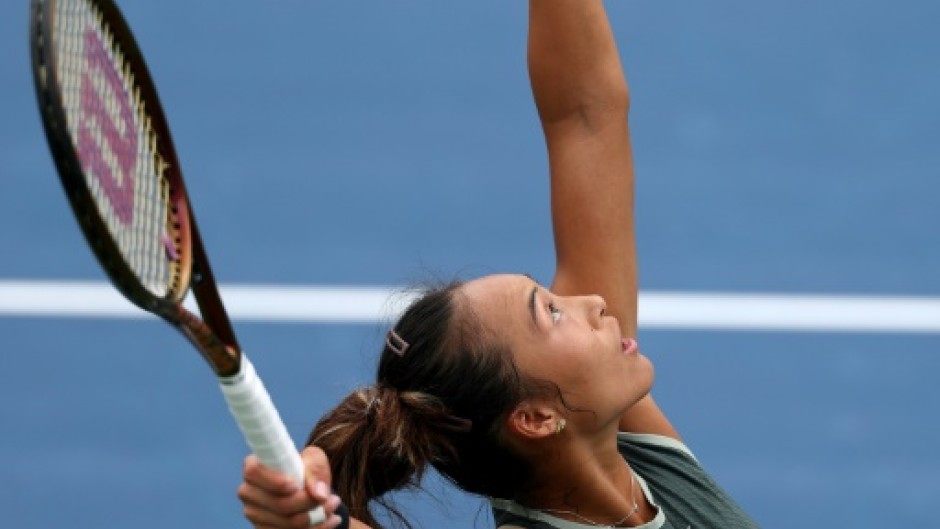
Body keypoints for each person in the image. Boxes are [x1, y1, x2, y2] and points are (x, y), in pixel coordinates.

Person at [237, 1, 760, 528]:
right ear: (536, 418)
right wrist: (301, 520)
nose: (595, 302)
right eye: (552, 314)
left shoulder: (623, 447)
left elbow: (585, 115)